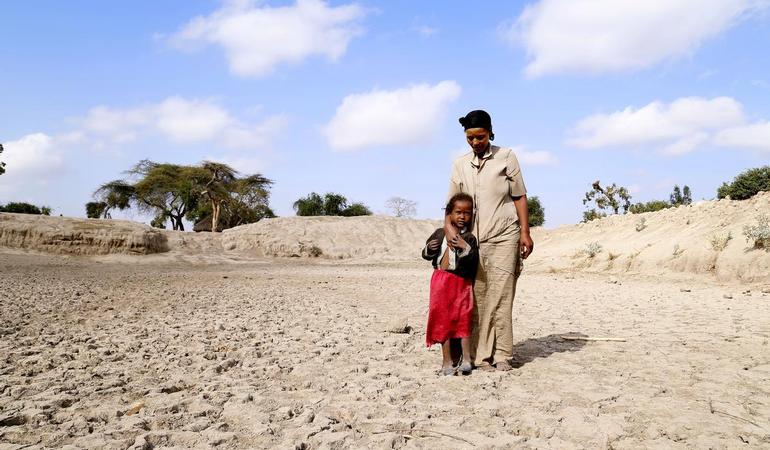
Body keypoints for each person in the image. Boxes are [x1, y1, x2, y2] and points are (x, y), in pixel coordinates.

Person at [445, 109, 534, 371]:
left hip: (505, 235)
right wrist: (448, 230)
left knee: (503, 294)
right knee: (478, 296)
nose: (475, 143)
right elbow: (451, 205)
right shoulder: (459, 164)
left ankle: (503, 354)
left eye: (480, 137)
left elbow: (519, 196)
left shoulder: (506, 157)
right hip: (471, 241)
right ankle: (480, 356)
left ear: (490, 132)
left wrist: (525, 233)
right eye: (470, 138)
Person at [422, 193, 479, 376]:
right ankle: (446, 362)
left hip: (461, 283)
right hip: (440, 282)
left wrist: (464, 247)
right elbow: (426, 253)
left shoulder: (469, 238)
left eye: (467, 213)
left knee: (463, 319)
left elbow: (473, 261)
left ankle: (467, 360)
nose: (462, 217)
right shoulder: (440, 233)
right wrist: (428, 250)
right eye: (458, 212)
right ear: (449, 214)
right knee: (442, 321)